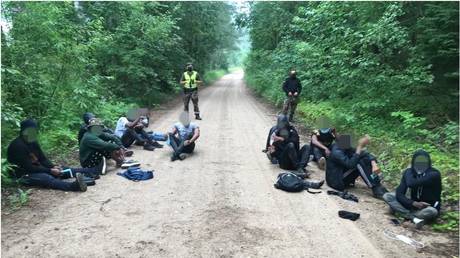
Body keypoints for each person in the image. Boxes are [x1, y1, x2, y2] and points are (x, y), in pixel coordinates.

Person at [7, 119, 91, 192]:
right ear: (23, 131)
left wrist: (53, 166)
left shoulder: (33, 141)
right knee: (46, 177)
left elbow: (43, 159)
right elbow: (29, 167)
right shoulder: (17, 146)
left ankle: (90, 172)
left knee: (62, 169)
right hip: (22, 175)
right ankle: (73, 186)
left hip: (35, 169)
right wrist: (49, 170)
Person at [383, 150, 441, 228]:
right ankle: (414, 218)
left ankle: (405, 214)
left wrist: (408, 172)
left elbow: (412, 183)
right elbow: (399, 193)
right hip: (412, 205)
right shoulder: (410, 172)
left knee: (432, 211)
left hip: (427, 207)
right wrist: (413, 203)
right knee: (388, 196)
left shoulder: (434, 174)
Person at [325, 134, 388, 199]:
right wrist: (359, 147)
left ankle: (377, 184)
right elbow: (351, 164)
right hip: (336, 181)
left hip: (342, 174)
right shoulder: (336, 152)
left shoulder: (345, 147)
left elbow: (364, 153)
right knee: (359, 162)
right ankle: (375, 188)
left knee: (363, 158)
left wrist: (374, 164)